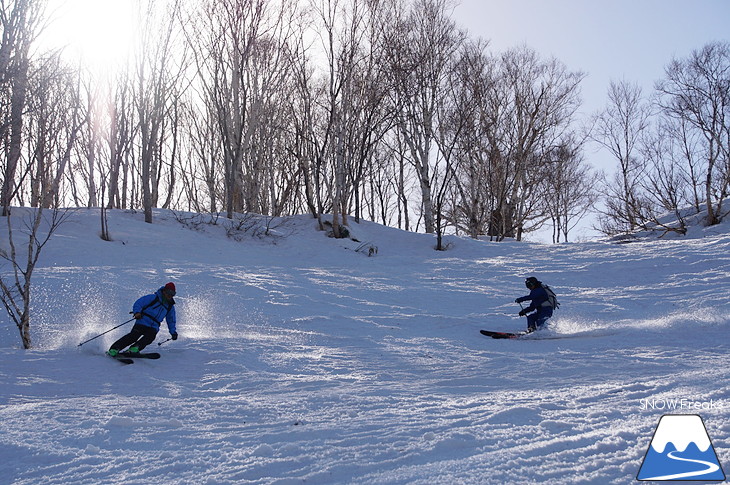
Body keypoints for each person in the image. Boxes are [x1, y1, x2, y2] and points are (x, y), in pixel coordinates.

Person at [108, 282, 178, 356]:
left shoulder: (170, 307)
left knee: (150, 337)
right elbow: (139, 303)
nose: (170, 295)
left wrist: (173, 332)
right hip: (142, 321)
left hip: (154, 326)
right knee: (133, 336)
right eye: (169, 292)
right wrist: (137, 312)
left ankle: (134, 349)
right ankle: (114, 349)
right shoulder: (153, 298)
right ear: (164, 291)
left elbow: (171, 320)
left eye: (173, 293)